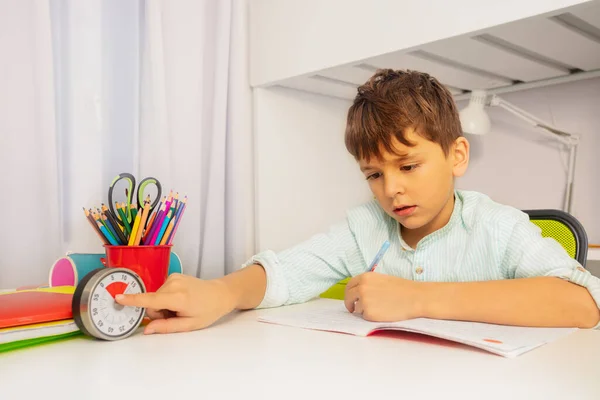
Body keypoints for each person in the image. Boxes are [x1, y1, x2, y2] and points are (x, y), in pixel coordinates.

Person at [117, 69, 600, 334]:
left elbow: (583, 302)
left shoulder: (500, 226)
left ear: (457, 155)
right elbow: (287, 271)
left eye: (408, 166)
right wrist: (221, 293)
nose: (391, 189)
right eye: (373, 174)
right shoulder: (365, 227)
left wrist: (415, 299)